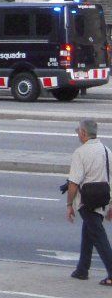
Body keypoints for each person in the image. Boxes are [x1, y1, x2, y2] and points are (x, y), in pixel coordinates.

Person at [67, 118, 112, 284]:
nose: (77, 133)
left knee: (99, 237)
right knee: (89, 232)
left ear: (84, 133)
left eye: (78, 131)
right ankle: (82, 269)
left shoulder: (80, 153)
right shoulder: (107, 151)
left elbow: (73, 184)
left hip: (86, 201)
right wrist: (111, 205)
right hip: (102, 199)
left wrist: (69, 205)